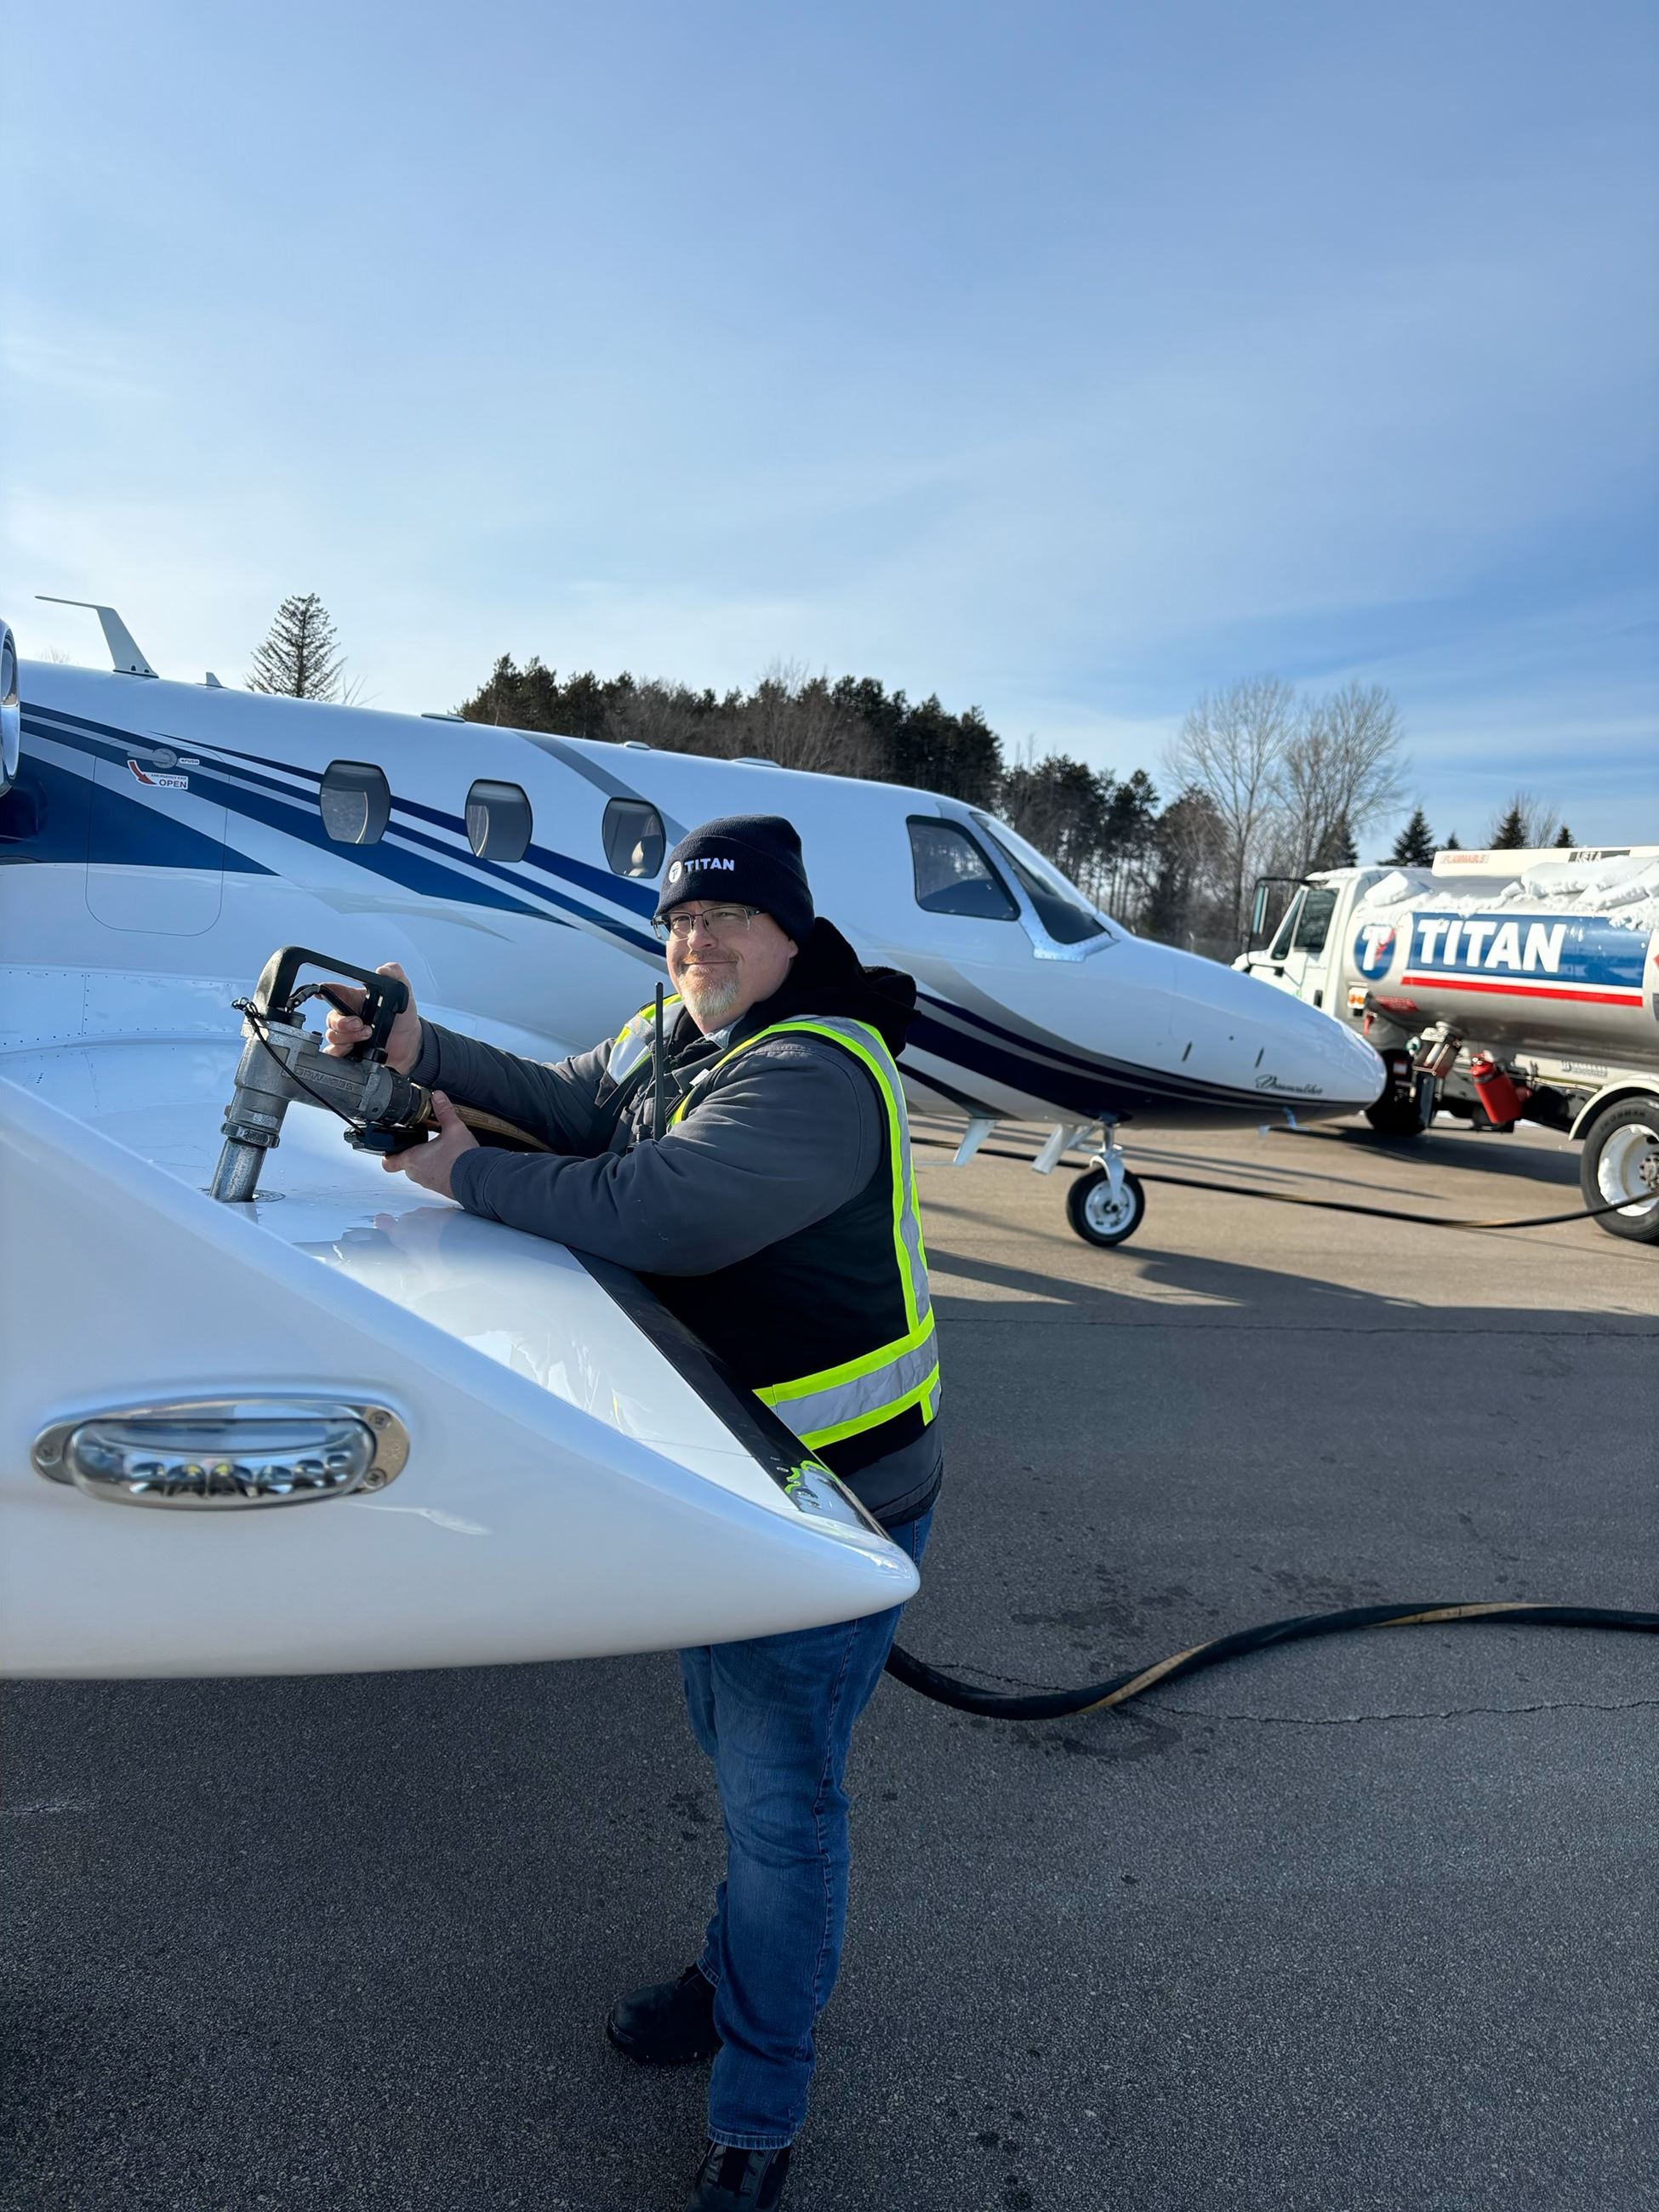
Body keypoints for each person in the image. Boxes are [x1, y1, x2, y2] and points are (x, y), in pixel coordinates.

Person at [323, 814, 942, 2212]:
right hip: (726, 1487)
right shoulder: (682, 1028)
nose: (694, 945)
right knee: (742, 1768)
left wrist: (459, 1172)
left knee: (784, 1813)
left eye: (723, 923)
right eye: (676, 923)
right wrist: (416, 1054)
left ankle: (759, 2106)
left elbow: (663, 1207)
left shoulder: (814, 1069)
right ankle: (734, 1977)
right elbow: (570, 1099)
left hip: (828, 1514)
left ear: (788, 931)